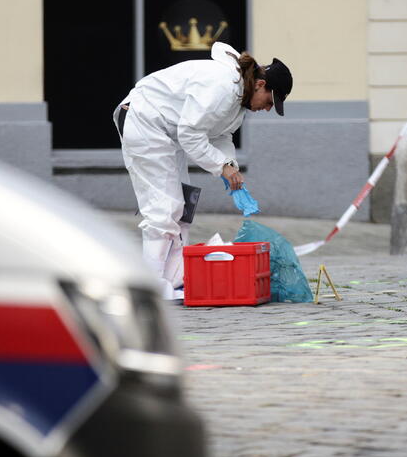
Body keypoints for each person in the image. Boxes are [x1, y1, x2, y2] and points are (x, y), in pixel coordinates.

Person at [113, 41, 293, 299]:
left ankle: (174, 280)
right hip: (143, 121)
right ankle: (151, 288)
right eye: (269, 101)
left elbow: (221, 135)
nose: (266, 108)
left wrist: (230, 166)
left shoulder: (238, 100)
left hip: (166, 131)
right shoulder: (221, 85)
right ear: (261, 84)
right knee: (163, 209)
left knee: (182, 207)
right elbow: (190, 134)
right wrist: (221, 167)